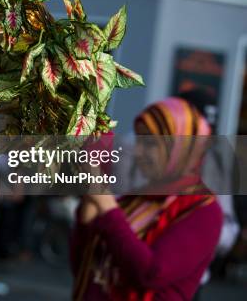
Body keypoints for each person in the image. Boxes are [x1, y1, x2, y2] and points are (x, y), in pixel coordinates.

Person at [71, 97, 223, 300]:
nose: (139, 152)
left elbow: (151, 273)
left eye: (150, 143)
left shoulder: (203, 211)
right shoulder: (138, 199)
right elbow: (84, 266)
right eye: (139, 141)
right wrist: (89, 203)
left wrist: (105, 203)